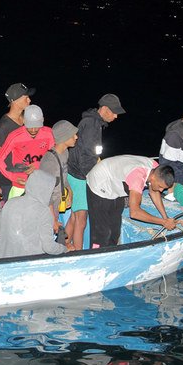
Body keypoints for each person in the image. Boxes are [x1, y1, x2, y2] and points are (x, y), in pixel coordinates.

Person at [66, 93, 126, 249]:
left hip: (75, 173)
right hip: (79, 175)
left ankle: (65, 244)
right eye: (114, 112)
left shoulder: (94, 123)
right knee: (81, 219)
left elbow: (92, 154)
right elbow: (84, 158)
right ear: (104, 109)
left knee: (74, 216)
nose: (116, 116)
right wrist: (95, 178)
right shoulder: (92, 125)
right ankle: (78, 254)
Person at [86, 155, 183, 248]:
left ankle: (110, 254)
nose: (161, 190)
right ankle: (96, 252)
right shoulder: (137, 177)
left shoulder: (156, 169)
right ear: (153, 178)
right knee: (101, 232)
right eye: (161, 187)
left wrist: (166, 218)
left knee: (114, 230)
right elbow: (135, 213)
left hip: (115, 183)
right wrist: (163, 222)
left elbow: (154, 192)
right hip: (99, 182)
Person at [0, 170, 68, 259]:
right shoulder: (44, 211)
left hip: (1, 260)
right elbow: (49, 247)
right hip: (28, 264)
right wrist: (64, 249)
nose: (52, 191)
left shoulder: (11, 203)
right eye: (50, 188)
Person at [0, 104, 55, 199]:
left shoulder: (49, 134)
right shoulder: (15, 136)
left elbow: (53, 158)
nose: (34, 130)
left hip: (42, 183)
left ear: (42, 120)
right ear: (24, 121)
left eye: (37, 126)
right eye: (30, 126)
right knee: (15, 213)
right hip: (20, 185)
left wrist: (38, 165)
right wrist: (13, 177)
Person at [0, 82, 34, 203]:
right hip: (7, 182)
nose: (29, 100)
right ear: (15, 101)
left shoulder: (25, 120)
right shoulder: (3, 127)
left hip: (24, 177)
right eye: (26, 98)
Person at [39, 120, 79, 239]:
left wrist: (69, 190)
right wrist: (53, 220)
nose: (76, 137)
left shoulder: (65, 152)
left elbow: (63, 175)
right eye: (73, 135)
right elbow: (45, 195)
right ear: (64, 137)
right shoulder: (49, 162)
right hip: (46, 208)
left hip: (56, 203)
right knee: (45, 236)